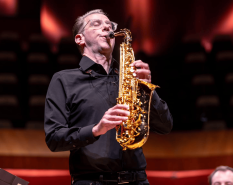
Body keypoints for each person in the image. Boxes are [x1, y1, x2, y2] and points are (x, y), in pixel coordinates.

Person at [44, 9, 173, 185]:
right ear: (79, 39)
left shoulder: (129, 78)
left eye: (109, 25)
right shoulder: (64, 79)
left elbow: (165, 126)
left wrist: (146, 88)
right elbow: (54, 138)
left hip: (137, 180)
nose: (106, 27)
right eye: (96, 24)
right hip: (91, 181)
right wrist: (96, 129)